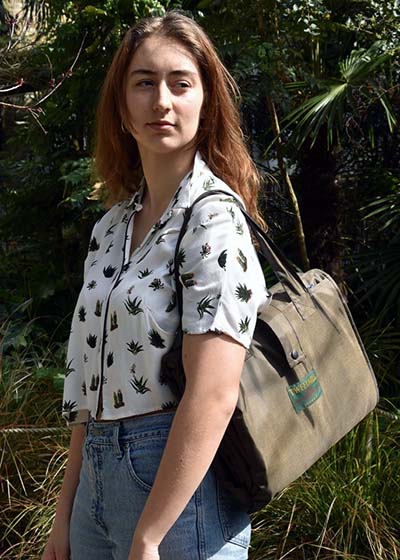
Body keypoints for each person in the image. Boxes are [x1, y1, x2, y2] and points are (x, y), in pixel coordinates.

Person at [42, 10, 270, 560]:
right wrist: (65, 515)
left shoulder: (214, 219)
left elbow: (213, 394)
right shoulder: (111, 226)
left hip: (175, 486)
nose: (161, 101)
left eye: (179, 83)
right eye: (144, 83)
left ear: (205, 102)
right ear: (122, 107)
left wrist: (150, 535)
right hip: (96, 475)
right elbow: (92, 391)